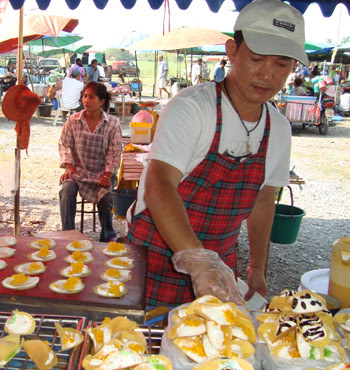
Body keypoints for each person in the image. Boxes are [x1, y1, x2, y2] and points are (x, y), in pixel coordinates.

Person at [127, 0, 308, 307]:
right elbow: (160, 186)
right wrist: (198, 262)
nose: (266, 75)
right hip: (155, 257)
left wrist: (257, 266)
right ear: (233, 51)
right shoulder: (193, 107)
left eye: (281, 64)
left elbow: (264, 200)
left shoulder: (278, 128)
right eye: (257, 59)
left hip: (221, 264)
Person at [59, 82, 122, 242]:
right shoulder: (72, 121)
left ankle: (107, 235)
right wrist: (69, 167)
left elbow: (114, 152)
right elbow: (65, 145)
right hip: (78, 171)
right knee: (66, 190)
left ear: (101, 101)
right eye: (84, 96)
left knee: (107, 198)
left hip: (103, 173)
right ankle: (68, 234)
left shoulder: (113, 123)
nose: (86, 100)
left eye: (91, 97)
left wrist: (107, 175)